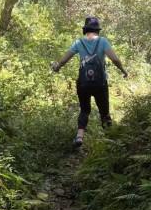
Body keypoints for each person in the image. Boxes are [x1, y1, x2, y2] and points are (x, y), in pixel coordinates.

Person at [51, 16, 128, 148]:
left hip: (83, 83)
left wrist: (57, 67)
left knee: (84, 110)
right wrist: (123, 70)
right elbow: (115, 59)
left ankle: (79, 137)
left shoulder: (78, 43)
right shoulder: (103, 41)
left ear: (85, 29)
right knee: (104, 111)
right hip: (100, 83)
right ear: (97, 30)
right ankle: (111, 140)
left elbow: (64, 60)